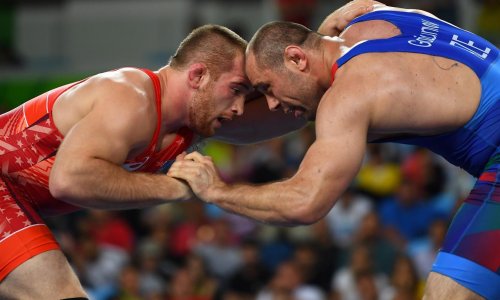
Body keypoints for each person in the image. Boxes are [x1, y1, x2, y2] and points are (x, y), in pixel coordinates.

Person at [0, 1, 377, 297]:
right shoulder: (130, 96)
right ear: (197, 76)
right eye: (236, 91)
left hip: (19, 200)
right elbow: (71, 179)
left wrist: (322, 49)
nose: (239, 109)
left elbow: (290, 111)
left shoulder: (189, 124)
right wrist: (180, 188)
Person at [168, 3, 500, 300]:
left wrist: (217, 191)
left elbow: (305, 203)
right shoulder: (373, 18)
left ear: (297, 58)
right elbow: (356, 8)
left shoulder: (348, 95)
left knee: (449, 294)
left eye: (268, 88)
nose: (271, 104)